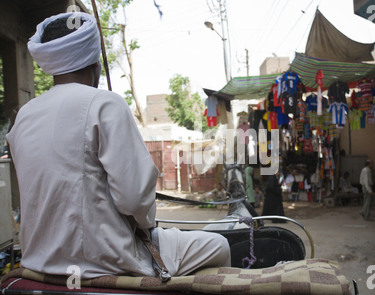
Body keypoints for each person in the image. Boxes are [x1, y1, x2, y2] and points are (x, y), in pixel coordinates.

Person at [6, 12, 230, 280]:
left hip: (39, 261)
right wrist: (145, 223)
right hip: (105, 261)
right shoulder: (104, 103)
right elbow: (134, 199)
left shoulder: (23, 116)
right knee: (219, 245)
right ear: (95, 64)